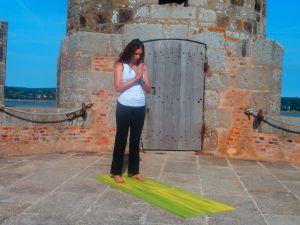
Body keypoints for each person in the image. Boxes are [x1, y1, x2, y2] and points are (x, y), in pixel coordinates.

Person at [110, 39, 151, 184]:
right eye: (135, 53)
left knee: (135, 139)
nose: (138, 56)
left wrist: (142, 76)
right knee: (121, 138)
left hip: (140, 106)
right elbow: (118, 87)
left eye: (140, 54)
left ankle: (134, 171)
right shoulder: (120, 65)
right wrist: (136, 78)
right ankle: (116, 172)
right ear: (130, 51)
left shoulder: (143, 67)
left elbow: (148, 89)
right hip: (124, 106)